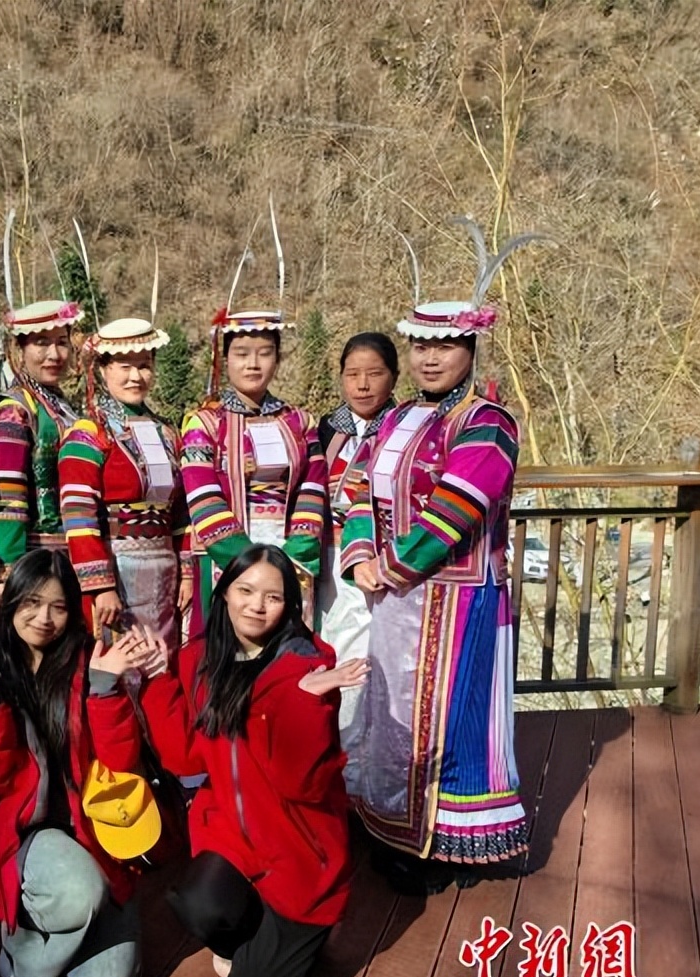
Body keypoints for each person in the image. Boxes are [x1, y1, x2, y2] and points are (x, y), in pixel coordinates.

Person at [340, 224, 541, 894]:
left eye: (446, 345)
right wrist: (360, 556)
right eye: (422, 345)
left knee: (451, 721)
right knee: (392, 714)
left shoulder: (488, 422)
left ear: (470, 348)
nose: (430, 358)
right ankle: (391, 827)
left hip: (458, 600)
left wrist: (391, 566)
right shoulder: (394, 419)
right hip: (394, 599)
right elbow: (357, 491)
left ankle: (443, 841)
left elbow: (457, 509)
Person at [137, 545, 367, 977]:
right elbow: (184, 758)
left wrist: (302, 702)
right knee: (196, 904)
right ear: (223, 593)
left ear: (290, 606)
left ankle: (300, 941)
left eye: (273, 597)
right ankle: (262, 941)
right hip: (234, 836)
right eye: (245, 590)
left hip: (298, 849)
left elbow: (302, 786)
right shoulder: (201, 658)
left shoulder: (307, 668)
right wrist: (159, 679)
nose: (256, 605)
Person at [0, 549, 160, 977]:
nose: (44, 619)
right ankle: (25, 954)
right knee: (81, 894)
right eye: (32, 603)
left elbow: (120, 764)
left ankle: (69, 922)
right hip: (21, 832)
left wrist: (105, 689)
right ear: (10, 599)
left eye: (59, 607)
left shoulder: (85, 657)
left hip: (91, 825)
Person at [180, 308, 327, 634]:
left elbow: (313, 487)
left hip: (289, 553)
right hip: (225, 556)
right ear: (225, 359)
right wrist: (244, 561)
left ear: (278, 358)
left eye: (265, 353)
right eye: (242, 354)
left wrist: (296, 552)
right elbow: (202, 495)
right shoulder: (205, 424)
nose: (253, 364)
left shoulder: (300, 422)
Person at [58, 317, 192, 648]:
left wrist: (187, 571)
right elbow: (78, 514)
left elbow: (180, 511)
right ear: (103, 370)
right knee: (122, 658)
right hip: (117, 570)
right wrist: (101, 585)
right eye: (124, 367)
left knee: (164, 656)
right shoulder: (88, 434)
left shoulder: (167, 432)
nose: (136, 376)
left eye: (144, 366)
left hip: (166, 573)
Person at [313, 332, 398, 789]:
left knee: (364, 661)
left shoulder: (405, 429)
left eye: (374, 374)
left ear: (394, 377)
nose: (362, 385)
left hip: (372, 563)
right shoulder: (327, 429)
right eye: (352, 375)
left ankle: (361, 776)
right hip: (322, 561)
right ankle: (328, 763)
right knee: (325, 652)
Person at [0, 299, 85, 569]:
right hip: (35, 559)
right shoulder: (12, 410)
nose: (55, 354)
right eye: (41, 343)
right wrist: (8, 568)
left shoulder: (61, 405)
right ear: (20, 349)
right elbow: (8, 497)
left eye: (62, 342)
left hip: (72, 555)